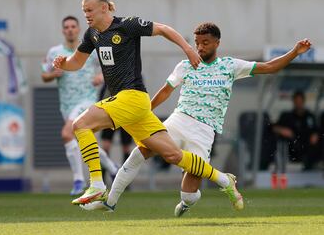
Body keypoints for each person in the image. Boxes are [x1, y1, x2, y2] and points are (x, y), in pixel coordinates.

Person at [82, 22, 312, 215]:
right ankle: (110, 202)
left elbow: (270, 67)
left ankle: (186, 203)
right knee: (140, 151)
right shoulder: (186, 65)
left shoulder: (230, 66)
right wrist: (142, 112)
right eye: (197, 43)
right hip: (178, 120)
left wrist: (294, 52)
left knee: (189, 193)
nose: (199, 47)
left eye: (205, 43)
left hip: (204, 131)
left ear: (217, 43)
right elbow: (165, 91)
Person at [53, 0, 242, 208]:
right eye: (84, 10)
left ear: (104, 8)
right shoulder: (92, 34)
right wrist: (63, 63)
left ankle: (97, 184)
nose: (86, 14)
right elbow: (76, 62)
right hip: (131, 106)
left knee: (80, 125)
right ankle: (225, 180)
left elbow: (163, 29)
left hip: (132, 97)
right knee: (173, 155)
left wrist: (188, 49)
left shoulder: (127, 25)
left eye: (89, 10)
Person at [42, 16, 118, 196]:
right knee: (83, 140)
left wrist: (102, 77)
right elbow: (44, 76)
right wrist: (54, 74)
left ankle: (78, 180)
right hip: (66, 105)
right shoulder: (54, 52)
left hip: (87, 100)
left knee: (67, 134)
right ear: (63, 31)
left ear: (78, 29)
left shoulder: (90, 49)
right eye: (66, 27)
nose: (70, 29)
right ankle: (112, 167)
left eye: (73, 26)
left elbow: (110, 67)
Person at [274, 91, 320, 172]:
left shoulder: (310, 116)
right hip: (294, 147)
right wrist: (282, 130)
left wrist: (316, 134)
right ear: (294, 102)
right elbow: (273, 127)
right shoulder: (287, 117)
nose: (299, 104)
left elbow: (317, 130)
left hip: (309, 147)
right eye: (296, 101)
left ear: (303, 102)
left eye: (300, 101)